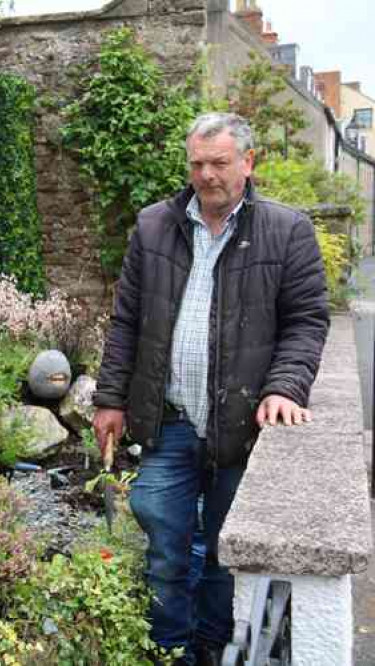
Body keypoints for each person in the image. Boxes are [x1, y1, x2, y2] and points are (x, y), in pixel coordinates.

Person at [92, 112, 329, 666]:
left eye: (219, 163)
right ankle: (167, 648)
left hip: (242, 425)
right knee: (163, 546)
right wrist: (110, 398)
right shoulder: (154, 225)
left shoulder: (286, 229)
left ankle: (210, 648)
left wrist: (286, 387)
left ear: (248, 163)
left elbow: (306, 322)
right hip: (170, 417)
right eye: (197, 163)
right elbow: (127, 320)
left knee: (227, 552)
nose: (206, 175)